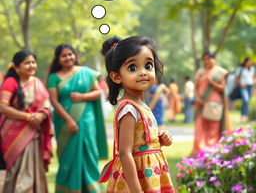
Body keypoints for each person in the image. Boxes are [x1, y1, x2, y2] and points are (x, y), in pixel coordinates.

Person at [100, 36, 176, 193]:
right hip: (136, 180)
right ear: (116, 77)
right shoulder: (129, 109)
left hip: (151, 175)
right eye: (133, 68)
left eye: (148, 65)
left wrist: (160, 139)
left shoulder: (143, 106)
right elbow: (124, 152)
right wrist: (136, 190)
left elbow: (140, 142)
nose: (143, 72)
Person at [47, 43, 108, 193]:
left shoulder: (86, 73)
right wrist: (69, 120)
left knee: (89, 153)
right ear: (58, 59)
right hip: (64, 121)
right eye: (64, 55)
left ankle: (92, 189)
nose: (68, 58)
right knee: (68, 157)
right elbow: (54, 100)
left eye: (70, 54)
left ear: (75, 56)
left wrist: (82, 96)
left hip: (87, 120)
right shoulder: (54, 77)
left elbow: (98, 92)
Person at [0, 50, 53, 193]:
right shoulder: (10, 82)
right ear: (17, 67)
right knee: (17, 171)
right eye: (27, 63)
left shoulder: (37, 82)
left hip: (34, 133)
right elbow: (3, 107)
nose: (31, 65)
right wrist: (29, 117)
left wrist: (41, 116)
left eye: (33, 62)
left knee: (33, 170)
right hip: (13, 135)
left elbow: (46, 105)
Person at [191, 51, 229, 156]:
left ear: (214, 59)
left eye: (209, 58)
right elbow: (196, 87)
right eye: (205, 59)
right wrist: (197, 98)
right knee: (200, 127)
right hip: (201, 103)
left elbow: (222, 88)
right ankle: (199, 151)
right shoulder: (200, 71)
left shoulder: (220, 72)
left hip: (214, 103)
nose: (207, 61)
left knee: (213, 128)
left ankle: (212, 151)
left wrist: (211, 82)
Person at [235, 57, 256, 122]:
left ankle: (245, 116)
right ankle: (243, 116)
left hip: (250, 86)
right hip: (243, 86)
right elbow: (236, 78)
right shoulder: (240, 69)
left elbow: (254, 77)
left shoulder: (252, 69)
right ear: (245, 62)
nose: (249, 63)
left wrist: (253, 82)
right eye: (248, 62)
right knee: (245, 100)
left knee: (247, 101)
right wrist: (241, 84)